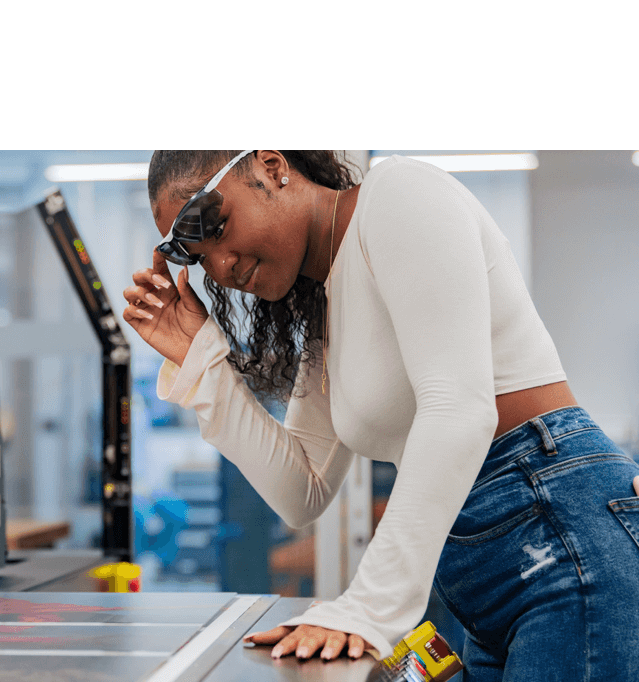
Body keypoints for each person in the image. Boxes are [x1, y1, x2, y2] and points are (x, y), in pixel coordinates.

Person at [123, 150, 639, 676]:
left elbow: (460, 408)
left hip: (555, 525)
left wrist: (365, 610)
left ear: (273, 166)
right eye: (196, 255)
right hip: (489, 564)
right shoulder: (328, 308)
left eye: (215, 224)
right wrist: (202, 364)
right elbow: (302, 490)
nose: (222, 265)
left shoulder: (398, 195)